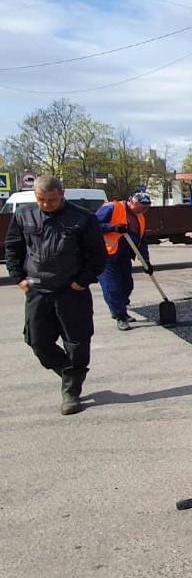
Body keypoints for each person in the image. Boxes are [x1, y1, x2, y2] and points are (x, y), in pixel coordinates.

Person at [5, 175, 108, 415]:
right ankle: (70, 372)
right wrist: (19, 278)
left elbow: (97, 256)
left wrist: (81, 283)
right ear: (35, 197)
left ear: (62, 195)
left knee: (77, 342)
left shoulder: (82, 218)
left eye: (52, 199)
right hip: (37, 289)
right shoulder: (23, 216)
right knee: (38, 341)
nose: (46, 204)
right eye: (41, 199)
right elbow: (13, 248)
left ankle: (71, 391)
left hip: (71, 291)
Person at [95, 191, 153, 331]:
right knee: (113, 288)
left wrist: (146, 261)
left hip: (124, 256)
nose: (143, 210)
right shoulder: (112, 208)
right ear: (132, 202)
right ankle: (119, 316)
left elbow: (142, 241)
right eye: (141, 207)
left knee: (127, 285)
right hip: (106, 255)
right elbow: (92, 225)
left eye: (146, 207)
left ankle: (121, 310)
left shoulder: (140, 218)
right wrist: (112, 228)